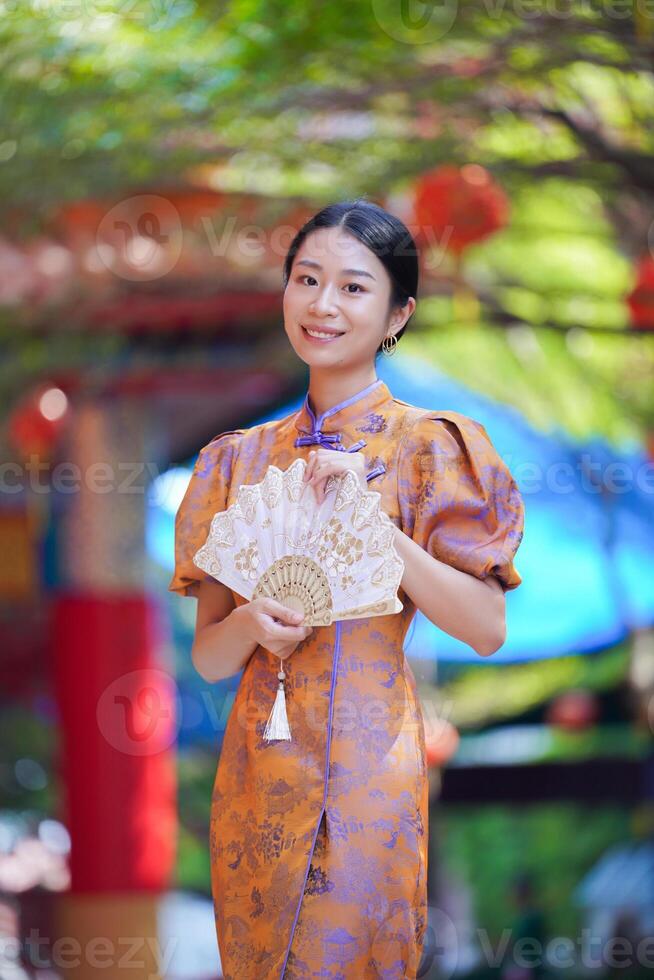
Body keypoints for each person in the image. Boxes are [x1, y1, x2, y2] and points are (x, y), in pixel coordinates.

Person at [169, 198, 525, 979]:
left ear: (399, 313)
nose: (324, 305)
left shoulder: (433, 448)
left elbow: (487, 627)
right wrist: (254, 625)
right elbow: (209, 660)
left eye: (354, 288)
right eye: (307, 279)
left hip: (369, 769)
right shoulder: (234, 462)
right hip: (259, 772)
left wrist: (377, 532)